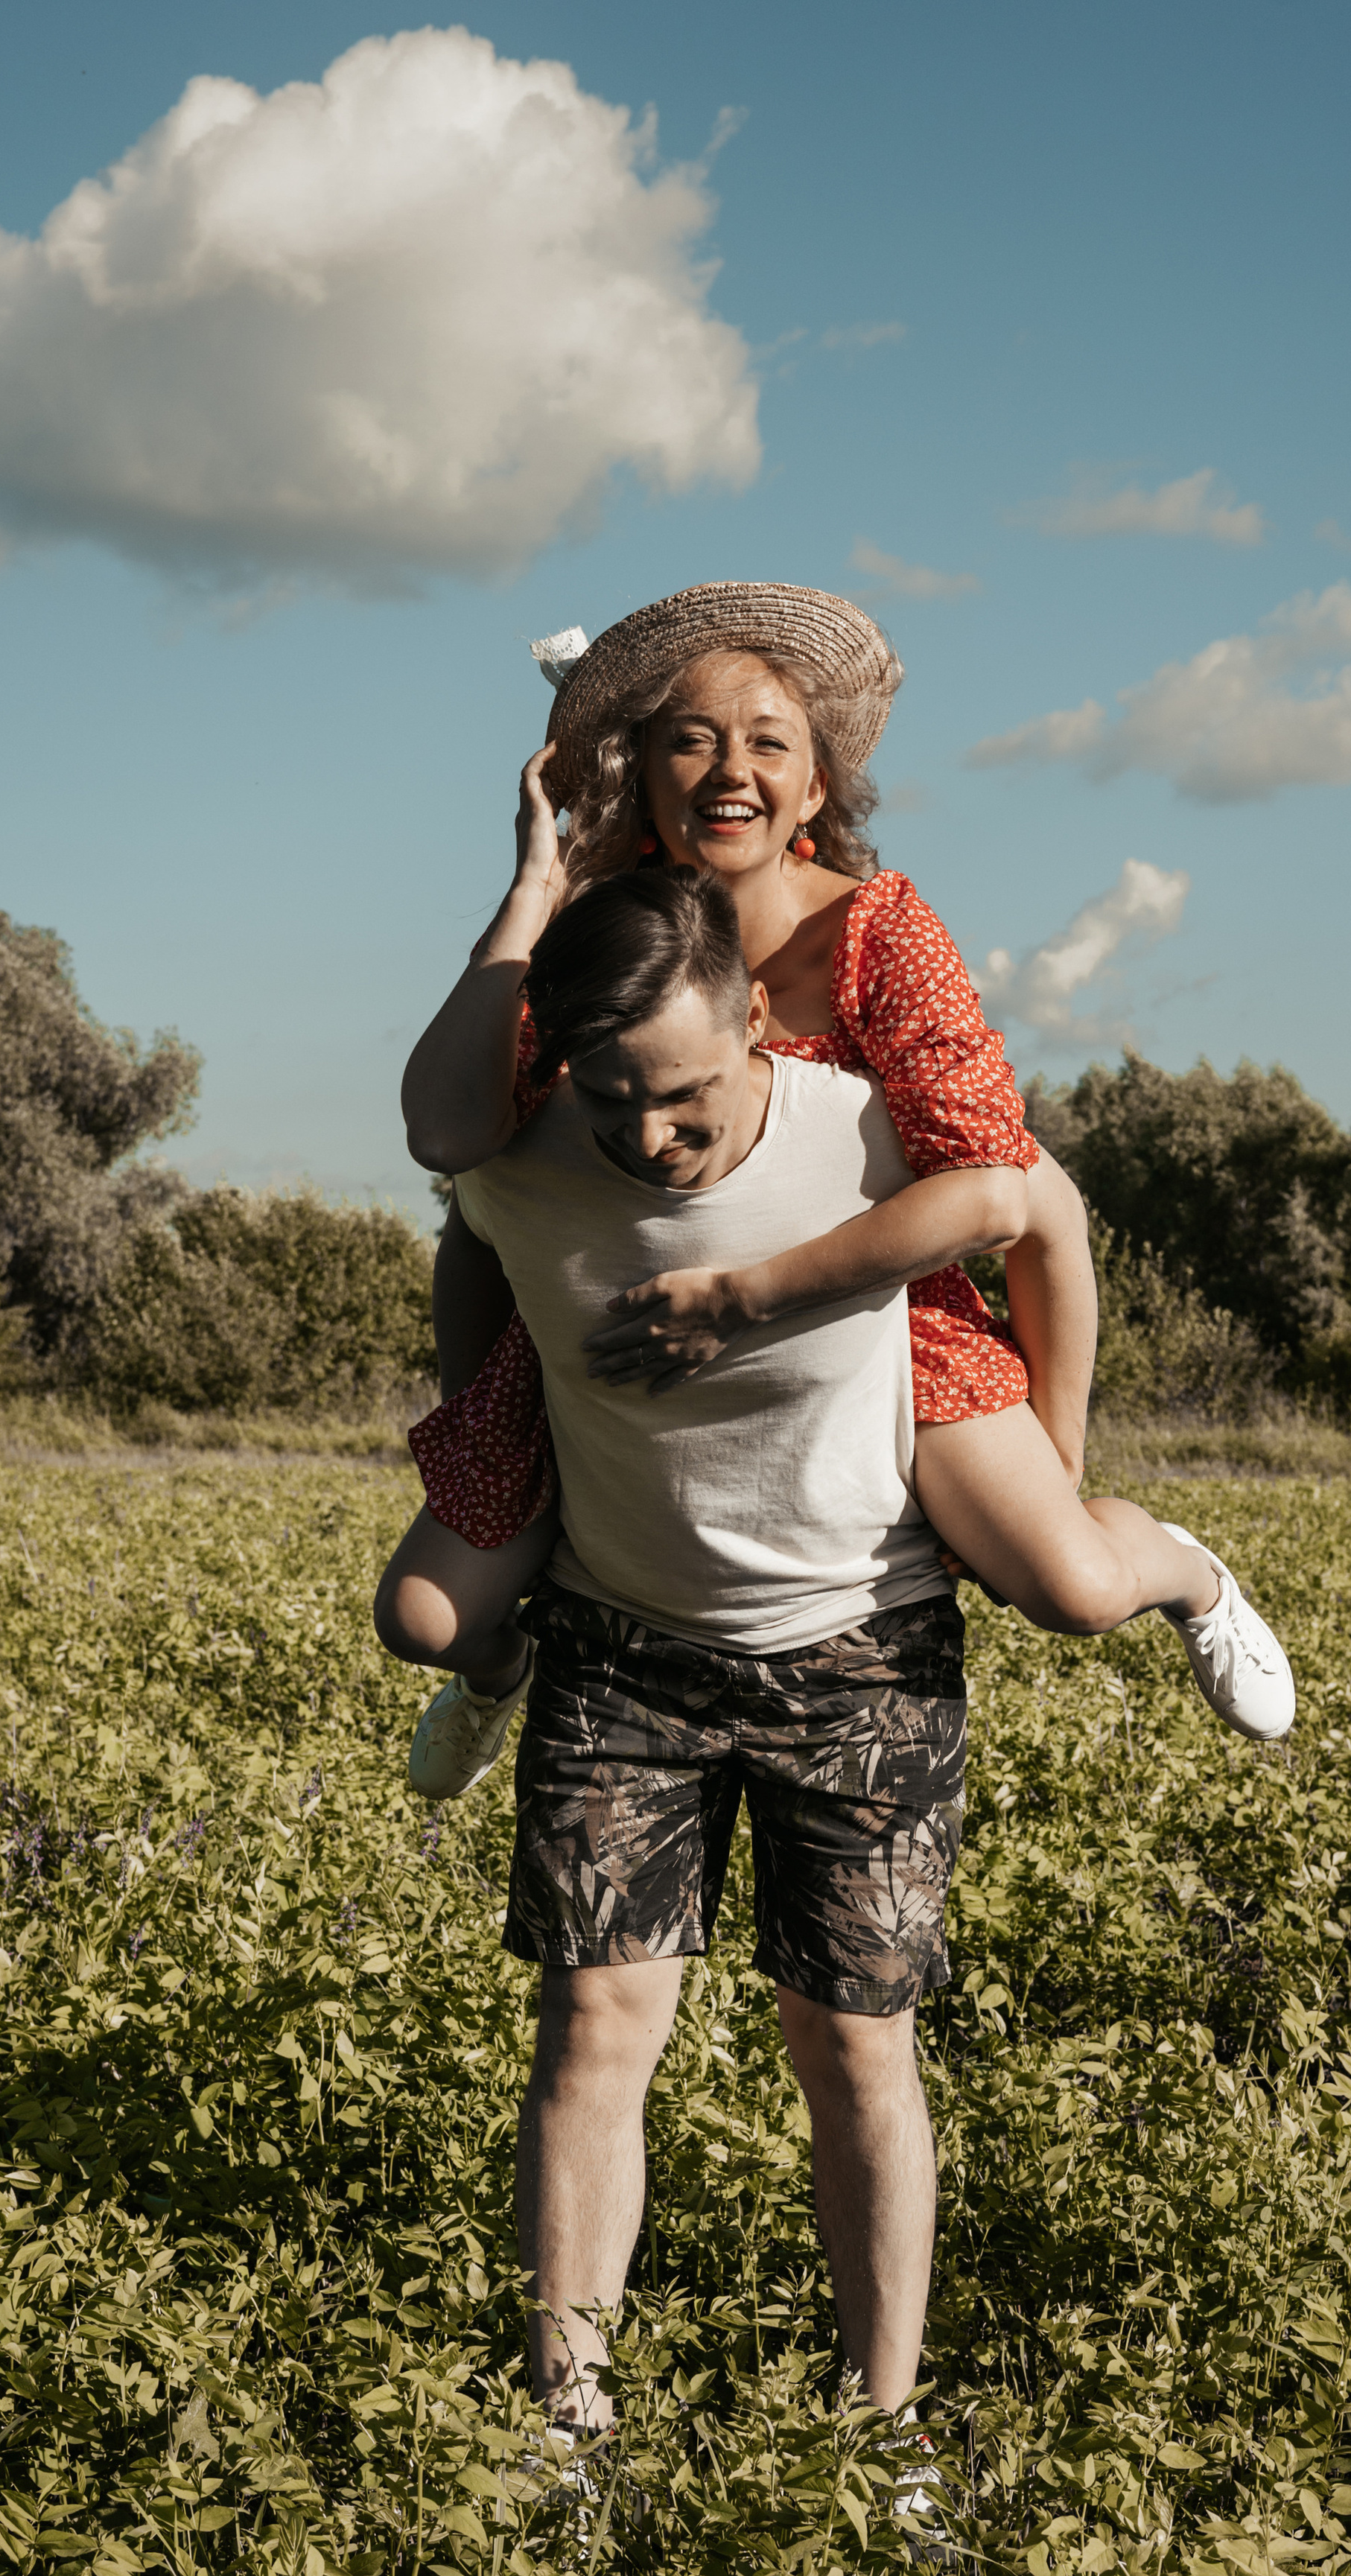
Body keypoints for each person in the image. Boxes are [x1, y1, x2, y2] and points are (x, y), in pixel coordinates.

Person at [389, 582, 1294, 1796]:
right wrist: (538, 887)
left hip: (875, 1310)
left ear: (815, 790)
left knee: (1070, 1587)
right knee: (428, 1617)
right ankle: (502, 1673)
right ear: (641, 774)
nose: (730, 768)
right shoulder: (606, 936)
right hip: (617, 1315)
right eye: (692, 738)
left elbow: (1012, 1195)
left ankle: (1184, 1569)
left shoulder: (879, 933)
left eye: (770, 741)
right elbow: (458, 1153)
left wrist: (1047, 1450)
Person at [375, 864, 969, 2441]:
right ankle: (568, 2427)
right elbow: (463, 1222)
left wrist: (1048, 1449)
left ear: (756, 1021)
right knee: (592, 2029)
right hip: (621, 1654)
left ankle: (880, 2430)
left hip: (860, 1651)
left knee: (854, 2046)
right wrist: (488, 1460)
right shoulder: (526, 1165)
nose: (647, 1136)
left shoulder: (863, 1135)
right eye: (610, 1094)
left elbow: (1030, 1206)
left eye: (687, 1093)